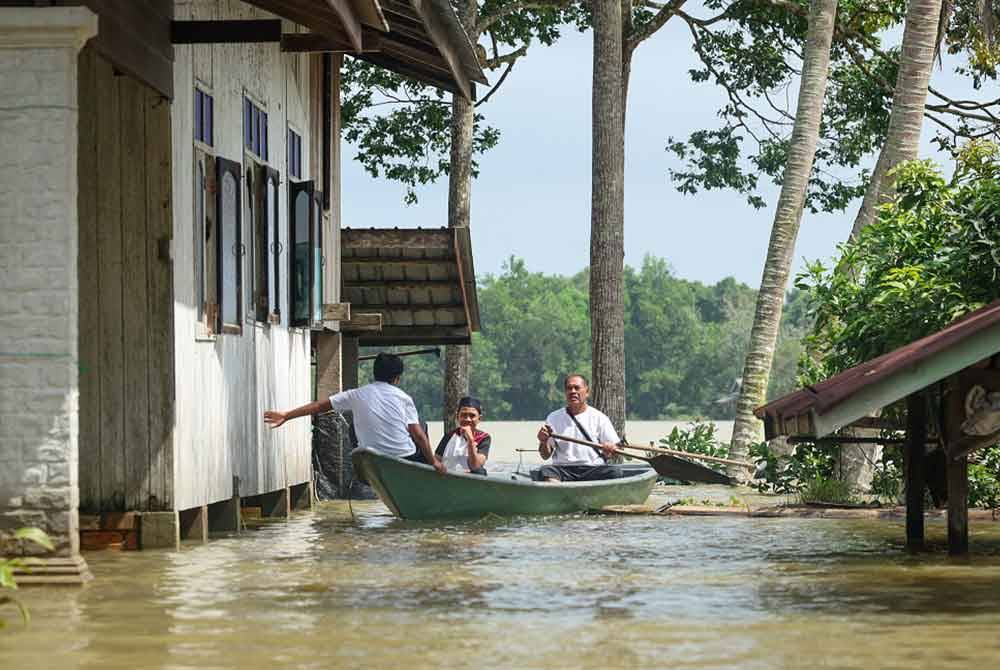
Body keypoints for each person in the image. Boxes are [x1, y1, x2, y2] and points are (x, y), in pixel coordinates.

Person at [263, 352, 446, 475]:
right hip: (405, 456)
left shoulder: (356, 394)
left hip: (370, 457)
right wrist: (434, 463)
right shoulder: (404, 398)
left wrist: (286, 415)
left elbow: (318, 406)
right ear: (397, 378)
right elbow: (419, 437)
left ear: (375, 373)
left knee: (353, 426)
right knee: (420, 430)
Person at [536, 374, 622, 482]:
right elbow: (545, 456)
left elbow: (616, 451)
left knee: (615, 472)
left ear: (587, 392)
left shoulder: (599, 417)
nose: (572, 391)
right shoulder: (553, 417)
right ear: (565, 392)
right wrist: (543, 441)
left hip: (593, 468)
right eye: (569, 388)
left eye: (577, 388)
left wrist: (610, 450)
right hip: (563, 469)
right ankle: (560, 493)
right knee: (545, 471)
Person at [434, 396, 491, 475]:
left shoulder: (484, 437)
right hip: (448, 477)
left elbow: (476, 466)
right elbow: (436, 460)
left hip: (471, 479)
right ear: (458, 416)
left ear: (479, 418)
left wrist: (470, 440)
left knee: (480, 472)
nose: (468, 419)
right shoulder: (450, 436)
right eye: (464, 415)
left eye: (472, 416)